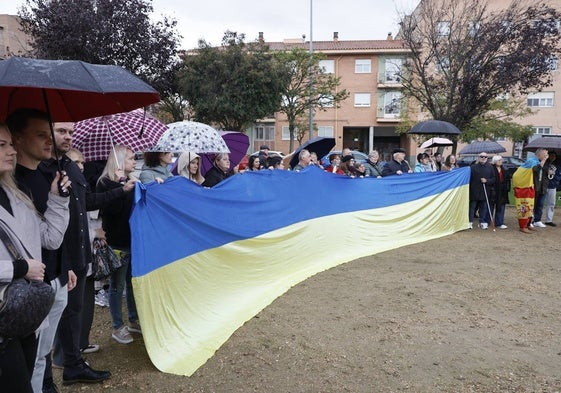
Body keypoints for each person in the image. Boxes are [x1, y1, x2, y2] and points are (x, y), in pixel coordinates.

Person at [40, 122, 127, 387]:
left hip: (79, 253)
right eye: (61, 131)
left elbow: (87, 201)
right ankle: (44, 379)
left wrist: (120, 191)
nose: (68, 136)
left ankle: (73, 365)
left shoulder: (68, 167)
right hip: (56, 258)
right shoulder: (40, 169)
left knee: (73, 311)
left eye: (70, 132)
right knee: (49, 321)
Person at [6, 109, 77, 393]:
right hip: (17, 293)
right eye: (41, 135)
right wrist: (21, 269)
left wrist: (59, 200)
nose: (50, 142)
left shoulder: (40, 178)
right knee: (25, 364)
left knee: (39, 358)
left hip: (51, 282)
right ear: (19, 138)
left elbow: (52, 238)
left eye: (51, 135)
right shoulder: (13, 183)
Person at [96, 145, 141, 345]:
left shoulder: (131, 181)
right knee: (117, 285)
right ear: (120, 161)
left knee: (131, 282)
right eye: (131, 158)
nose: (134, 161)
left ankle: (133, 319)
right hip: (116, 242)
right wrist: (121, 188)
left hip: (132, 240)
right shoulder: (105, 183)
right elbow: (111, 211)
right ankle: (117, 326)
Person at [468, 152, 495, 230]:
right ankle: (470, 222)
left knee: (483, 207)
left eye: (485, 157)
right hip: (474, 191)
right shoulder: (473, 167)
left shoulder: (490, 167)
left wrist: (487, 180)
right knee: (472, 207)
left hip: (485, 191)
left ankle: (482, 222)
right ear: (478, 157)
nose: (483, 158)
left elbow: (493, 179)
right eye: (482, 157)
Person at [531, 148, 550, 228]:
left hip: (543, 187)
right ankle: (530, 221)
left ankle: (537, 220)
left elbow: (546, 173)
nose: (546, 156)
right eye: (545, 154)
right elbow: (536, 170)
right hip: (535, 186)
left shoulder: (546, 163)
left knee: (540, 205)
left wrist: (550, 172)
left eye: (546, 154)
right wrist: (543, 161)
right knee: (532, 205)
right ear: (539, 155)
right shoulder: (533, 161)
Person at [491, 155, 511, 229]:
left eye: (501, 160)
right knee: (491, 207)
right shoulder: (491, 169)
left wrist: (508, 188)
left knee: (501, 207)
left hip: (502, 191)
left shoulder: (504, 169)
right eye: (498, 160)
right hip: (493, 190)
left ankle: (499, 222)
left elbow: (508, 180)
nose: (500, 161)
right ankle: (487, 221)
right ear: (495, 161)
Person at [544, 151, 561, 226]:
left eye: (554, 156)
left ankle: (549, 220)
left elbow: (559, 175)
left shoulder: (558, 164)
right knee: (539, 203)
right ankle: (535, 219)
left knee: (551, 203)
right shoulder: (544, 163)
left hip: (552, 185)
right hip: (543, 185)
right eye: (551, 155)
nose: (552, 157)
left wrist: (554, 177)